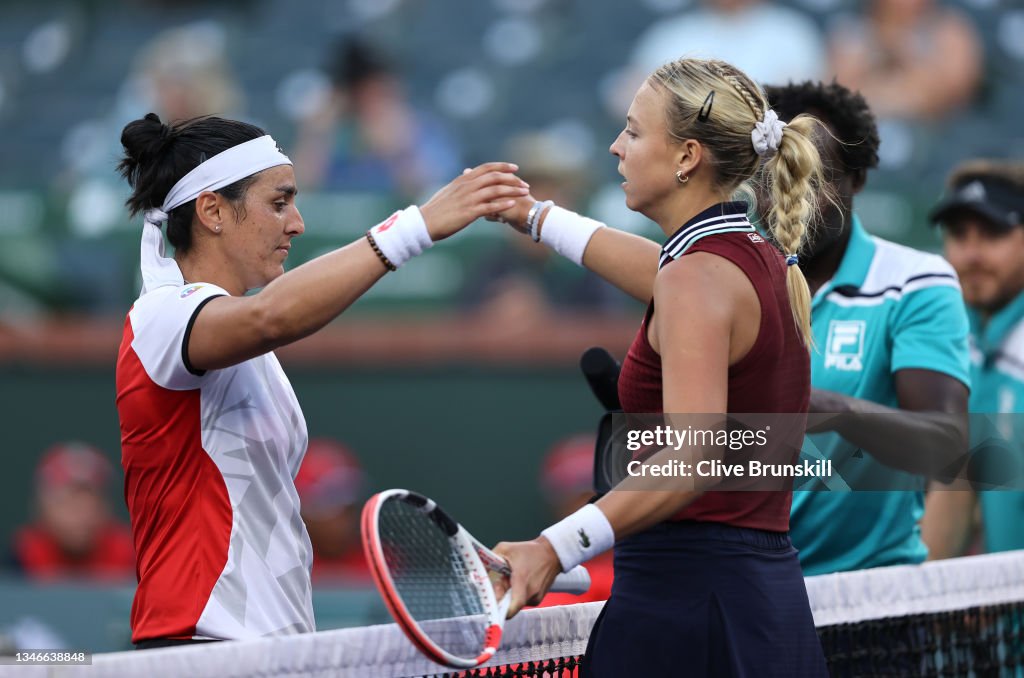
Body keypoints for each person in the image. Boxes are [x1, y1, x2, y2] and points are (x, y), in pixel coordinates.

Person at [114, 112, 527, 648]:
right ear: (212, 210)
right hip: (201, 646)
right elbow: (273, 317)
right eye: (279, 202)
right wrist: (416, 227)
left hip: (269, 649)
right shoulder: (161, 317)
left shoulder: (237, 344)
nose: (297, 223)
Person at [490, 58, 828, 675]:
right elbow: (658, 268)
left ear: (687, 156)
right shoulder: (749, 259)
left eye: (634, 131)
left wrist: (553, 547)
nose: (617, 147)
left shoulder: (698, 279)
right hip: (757, 604)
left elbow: (692, 461)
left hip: (690, 610)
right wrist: (532, 215)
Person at [760, 81, 970, 576]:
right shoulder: (725, 287)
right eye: (779, 180)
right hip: (746, 599)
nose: (798, 200)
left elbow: (946, 445)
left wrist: (821, 405)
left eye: (816, 178)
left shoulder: (914, 282)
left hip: (870, 602)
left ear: (855, 179)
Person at [923, 160, 1024, 558]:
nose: (972, 254)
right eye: (959, 235)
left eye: (993, 233)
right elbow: (956, 488)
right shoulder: (962, 339)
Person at [292, 39, 461, 202]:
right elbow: (296, 194)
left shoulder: (418, 131)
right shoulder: (330, 134)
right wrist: (316, 137)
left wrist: (398, 151)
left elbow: (434, 196)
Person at [828, 0, 982, 122]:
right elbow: (840, 92)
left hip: (934, 137)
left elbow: (953, 93)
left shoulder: (950, 31)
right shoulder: (852, 29)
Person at [10, 442, 134, 582]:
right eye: (67, 503)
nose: (81, 515)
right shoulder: (20, 558)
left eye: (90, 503)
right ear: (44, 508)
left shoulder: (131, 556)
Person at [535, 434, 613, 607]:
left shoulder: (653, 575)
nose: (589, 502)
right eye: (576, 493)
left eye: (599, 493)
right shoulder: (538, 590)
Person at [293, 438, 372, 584]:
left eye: (348, 507)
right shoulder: (281, 564)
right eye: (329, 498)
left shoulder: (379, 562)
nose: (342, 519)